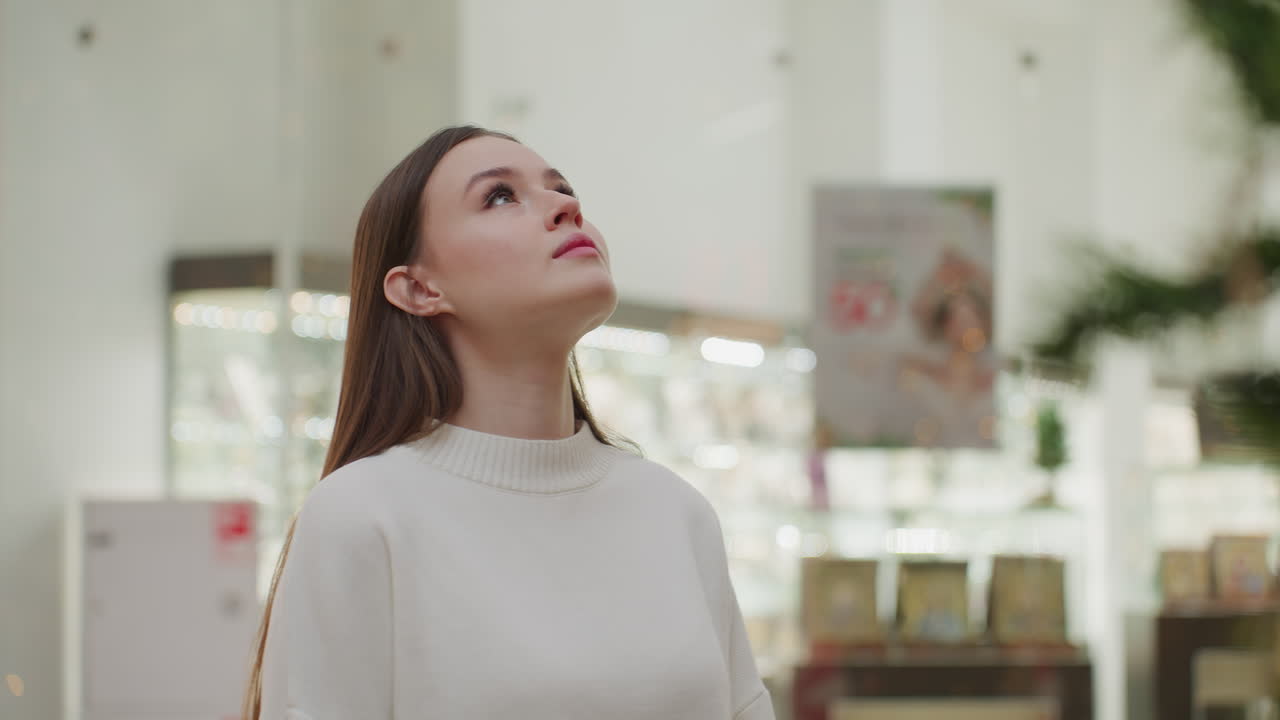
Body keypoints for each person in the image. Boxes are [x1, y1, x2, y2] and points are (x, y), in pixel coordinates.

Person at [242, 126, 774, 719]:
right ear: (419, 288)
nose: (566, 207)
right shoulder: (361, 516)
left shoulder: (676, 511)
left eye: (563, 189)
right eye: (500, 195)